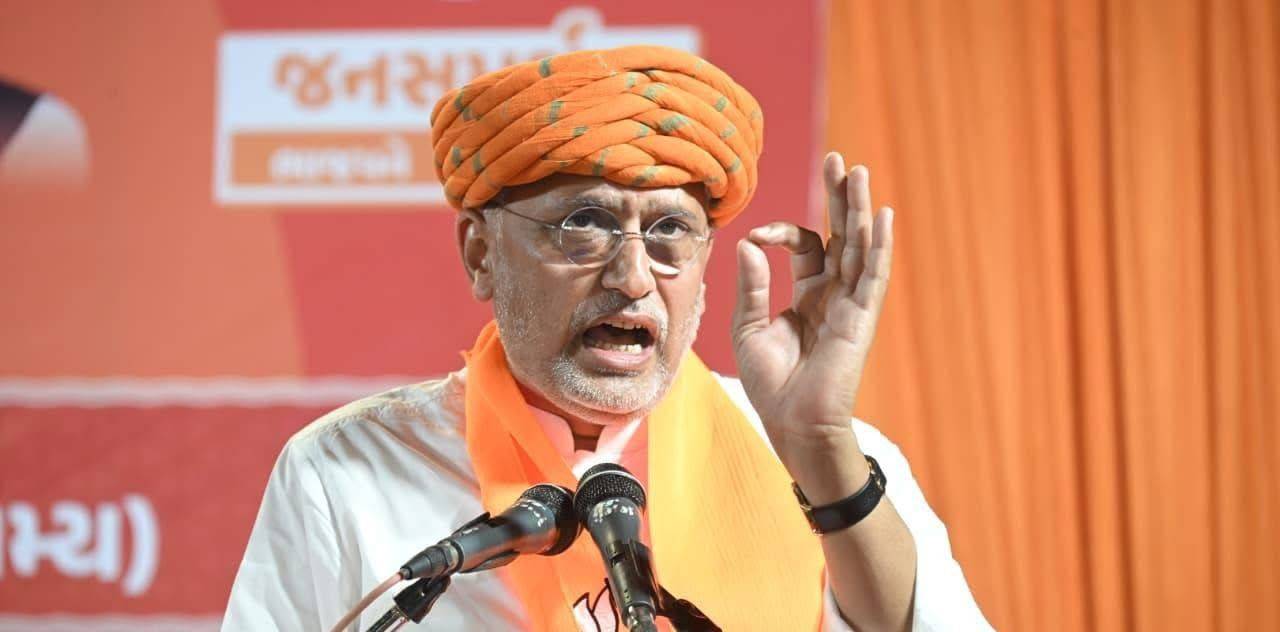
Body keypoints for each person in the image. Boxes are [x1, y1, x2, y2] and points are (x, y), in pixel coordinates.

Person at [221, 46, 990, 631]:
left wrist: (818, 445)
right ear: (481, 254)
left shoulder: (829, 458)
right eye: (583, 224)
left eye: (670, 231)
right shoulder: (344, 473)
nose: (632, 276)